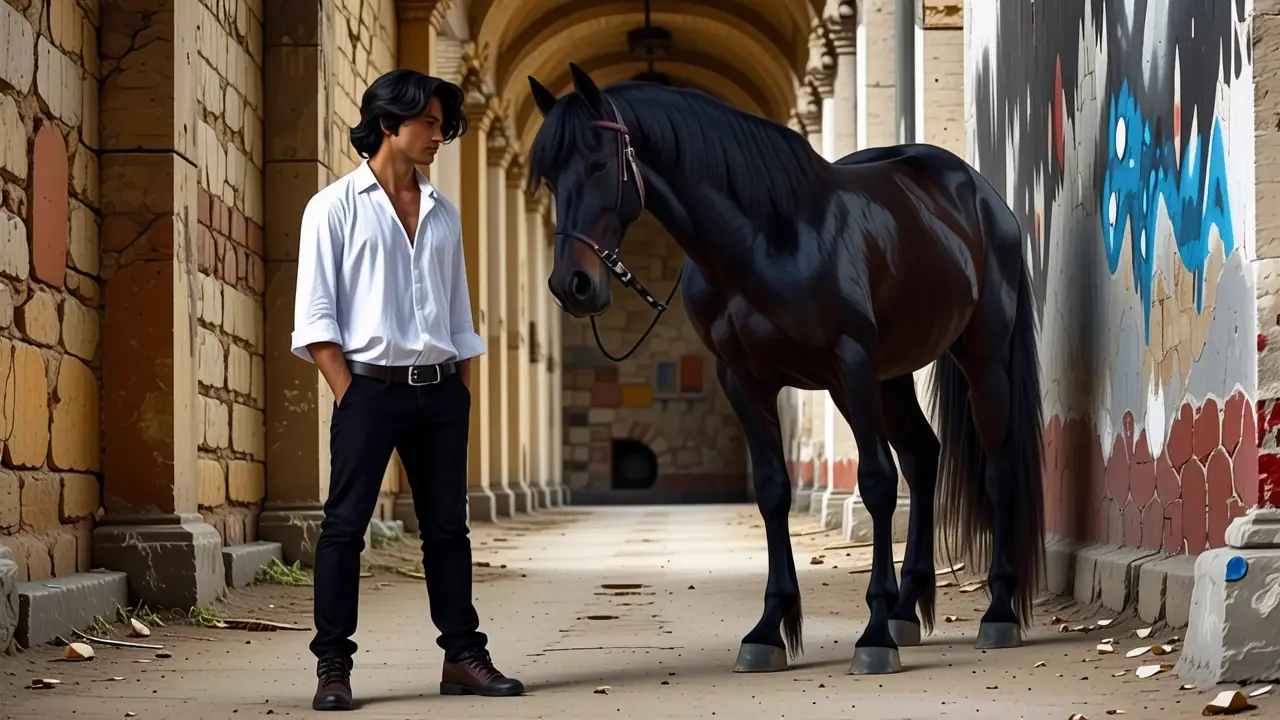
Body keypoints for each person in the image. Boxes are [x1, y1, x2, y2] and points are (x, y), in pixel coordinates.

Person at [291, 68, 524, 711]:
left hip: (441, 394)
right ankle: (333, 667)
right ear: (389, 123)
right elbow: (316, 318)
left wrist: (460, 394)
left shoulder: (444, 214)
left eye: (444, 125)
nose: (439, 135)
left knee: (448, 528)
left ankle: (462, 657)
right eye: (429, 122)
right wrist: (349, 392)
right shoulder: (332, 207)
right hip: (369, 390)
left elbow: (458, 317)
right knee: (344, 529)